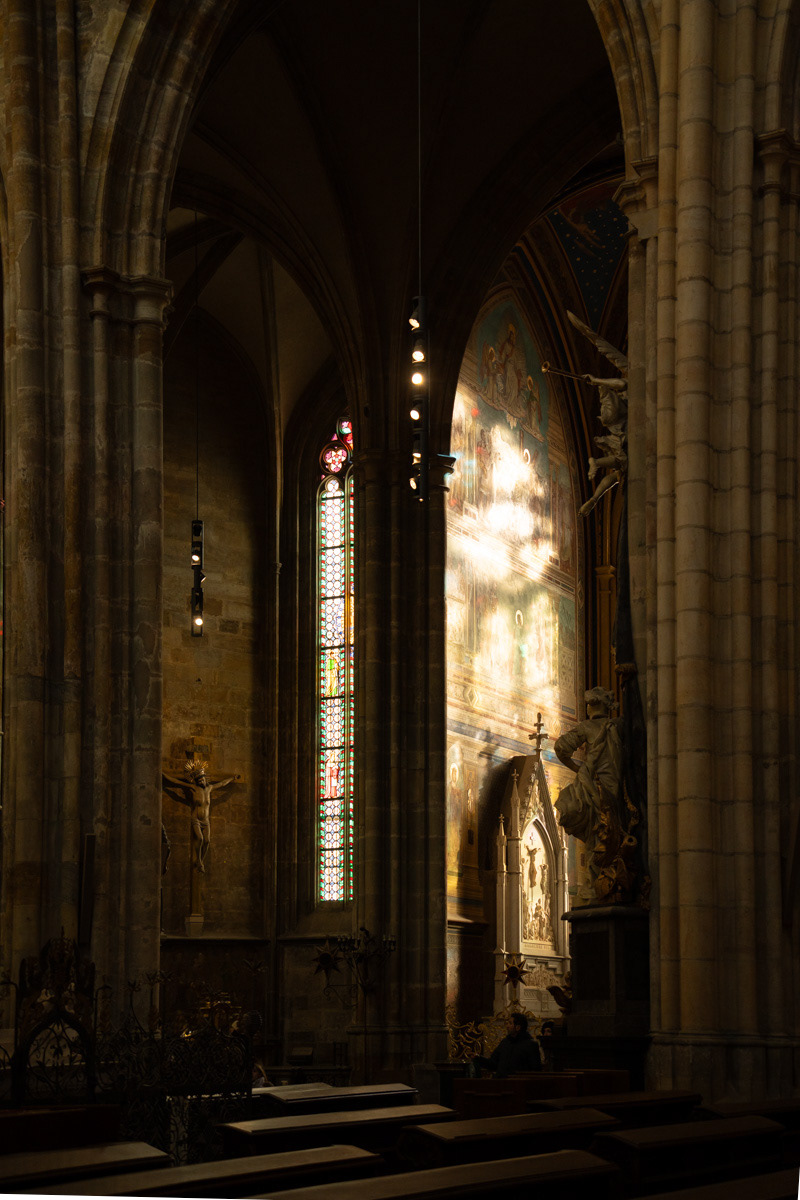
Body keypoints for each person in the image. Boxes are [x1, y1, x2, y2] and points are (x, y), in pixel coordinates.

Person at [162, 759, 238, 872]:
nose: (201, 781)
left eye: (202, 779)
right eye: (199, 780)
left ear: (205, 778)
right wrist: (163, 774)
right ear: (196, 781)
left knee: (207, 841)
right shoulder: (193, 788)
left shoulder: (209, 788)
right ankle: (199, 860)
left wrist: (232, 778)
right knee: (200, 838)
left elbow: (222, 783)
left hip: (206, 821)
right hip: (196, 819)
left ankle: (200, 860)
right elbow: (176, 782)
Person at [473, 1013, 541, 1078]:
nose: (507, 1026)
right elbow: (493, 1063)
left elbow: (535, 1071)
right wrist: (478, 1058)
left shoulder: (531, 1045)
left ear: (518, 1027)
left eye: (510, 1023)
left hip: (519, 1083)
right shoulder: (505, 1042)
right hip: (501, 1082)